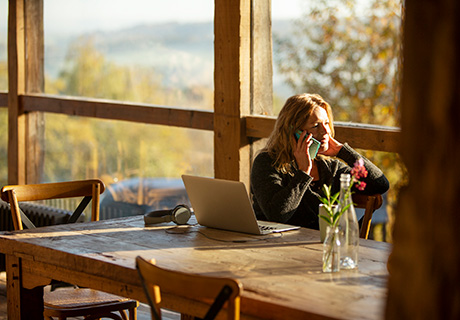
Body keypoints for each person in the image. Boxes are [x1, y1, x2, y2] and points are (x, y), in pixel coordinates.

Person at [250, 93, 390, 229]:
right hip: (271, 246)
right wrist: (303, 173)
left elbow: (380, 184)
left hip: (319, 247)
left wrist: (342, 151)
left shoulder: (331, 168)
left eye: (327, 123)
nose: (325, 131)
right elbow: (277, 215)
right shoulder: (267, 162)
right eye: (316, 126)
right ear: (293, 132)